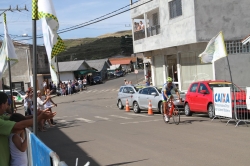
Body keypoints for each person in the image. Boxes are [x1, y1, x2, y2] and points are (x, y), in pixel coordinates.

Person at [0, 92, 56, 166]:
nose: (7, 106)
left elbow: (21, 119)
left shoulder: (1, 117)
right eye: (7, 104)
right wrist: (40, 118)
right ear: (1, 105)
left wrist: (36, 116)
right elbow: (18, 125)